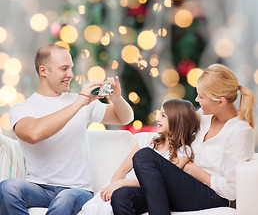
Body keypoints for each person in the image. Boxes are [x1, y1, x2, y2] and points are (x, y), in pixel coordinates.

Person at [0, 44, 134, 215]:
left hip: (77, 191)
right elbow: (33, 134)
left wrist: (117, 98)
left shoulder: (82, 102)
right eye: (64, 69)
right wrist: (78, 103)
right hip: (39, 188)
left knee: (65, 200)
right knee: (7, 188)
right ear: (43, 71)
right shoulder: (22, 109)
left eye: (71, 68)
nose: (70, 74)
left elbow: (125, 118)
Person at [111, 63, 256, 215]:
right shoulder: (203, 117)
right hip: (182, 185)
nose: (196, 99)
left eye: (201, 96)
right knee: (121, 197)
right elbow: (176, 129)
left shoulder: (240, 132)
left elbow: (231, 190)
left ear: (220, 101)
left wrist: (194, 170)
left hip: (211, 196)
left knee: (144, 156)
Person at [81, 98, 200, 215]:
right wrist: (114, 185)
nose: (157, 119)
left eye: (163, 116)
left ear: (177, 120)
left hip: (145, 193)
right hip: (123, 186)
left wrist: (121, 184)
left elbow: (159, 182)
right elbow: (122, 170)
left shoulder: (183, 152)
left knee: (122, 197)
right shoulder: (148, 140)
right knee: (100, 206)